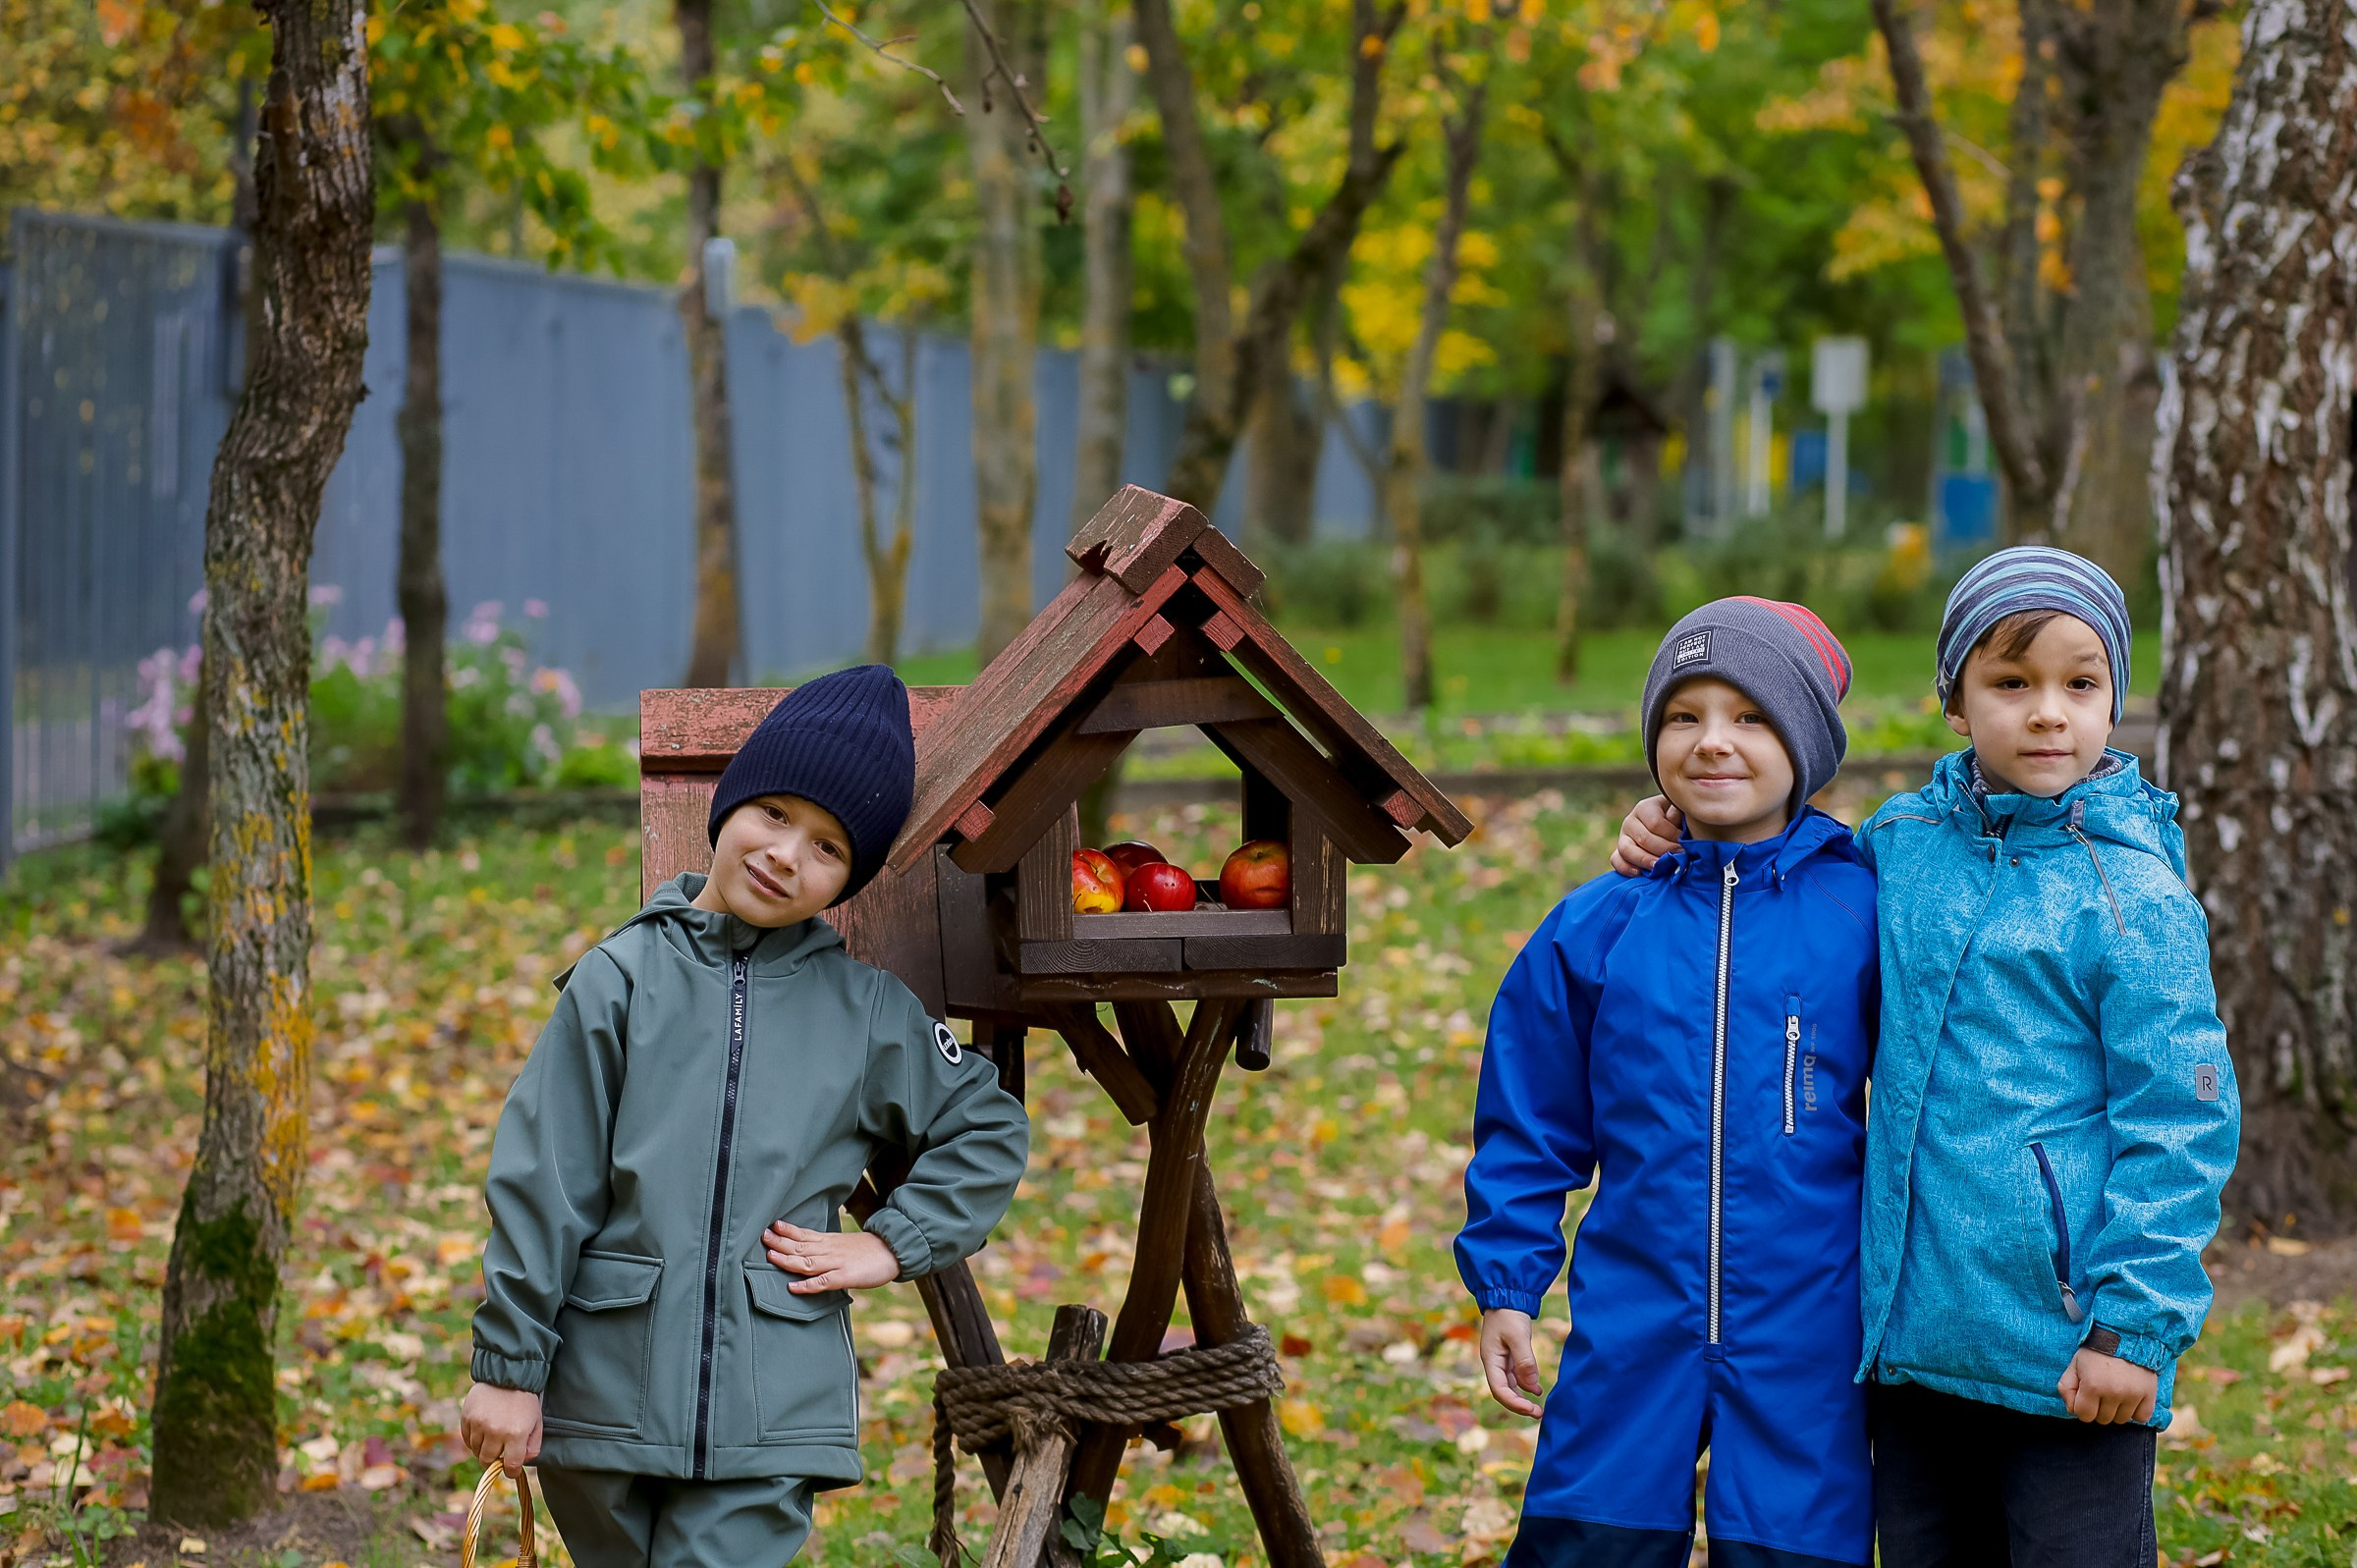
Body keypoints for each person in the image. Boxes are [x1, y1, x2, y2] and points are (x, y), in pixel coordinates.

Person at [1612, 547, 2240, 1565]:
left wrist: (2135, 1328)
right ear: (1953, 699)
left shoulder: (2136, 901)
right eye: (2011, 683)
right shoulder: (1901, 845)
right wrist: (1676, 824)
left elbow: (2183, 1122)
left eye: (2081, 685)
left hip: (2070, 1353)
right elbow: (1787, 880)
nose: (2048, 713)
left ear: (2114, 700)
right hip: (1910, 1347)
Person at [458, 665, 1030, 1568]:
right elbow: (543, 1183)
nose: (784, 854)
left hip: (769, 1408)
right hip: (600, 1395)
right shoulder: (619, 979)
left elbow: (987, 1125)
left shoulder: (868, 1013)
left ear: (848, 879)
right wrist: (509, 1369)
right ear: (729, 808)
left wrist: (892, 1242)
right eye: (774, 813)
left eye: (827, 847)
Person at [1458, 598, 1879, 1568]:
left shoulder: (1867, 909)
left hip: (1810, 1326)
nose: (1713, 742)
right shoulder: (1597, 924)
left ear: (1807, 745)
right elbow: (1529, 1119)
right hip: (1632, 1316)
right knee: (1588, 1542)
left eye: (1752, 717)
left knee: (1794, 1549)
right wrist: (1509, 1284)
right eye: (1684, 715)